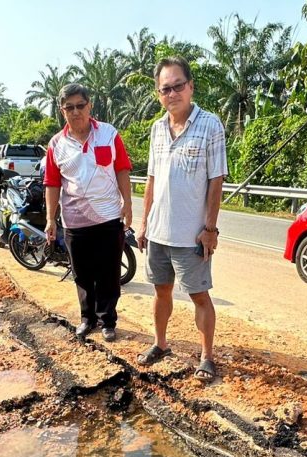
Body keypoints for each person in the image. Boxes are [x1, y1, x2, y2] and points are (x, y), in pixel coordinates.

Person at [135, 56, 227, 382]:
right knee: (161, 292)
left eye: (178, 86)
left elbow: (216, 180)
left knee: (199, 296)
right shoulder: (157, 129)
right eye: (165, 89)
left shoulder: (210, 125)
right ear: (158, 94)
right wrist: (144, 223)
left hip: (192, 236)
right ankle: (160, 343)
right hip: (158, 232)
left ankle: (207, 357)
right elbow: (151, 179)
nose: (172, 93)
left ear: (190, 87)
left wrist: (210, 229)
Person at [43, 83, 133, 342]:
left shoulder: (108, 134)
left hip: (108, 217)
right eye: (69, 107)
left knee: (109, 272)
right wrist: (50, 219)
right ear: (62, 111)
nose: (75, 112)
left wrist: (127, 203)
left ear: (89, 105)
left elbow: (122, 169)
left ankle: (107, 321)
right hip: (74, 221)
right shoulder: (56, 144)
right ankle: (87, 319)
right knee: (82, 274)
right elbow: (52, 183)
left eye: (80, 105)